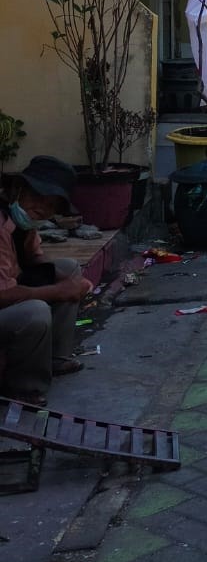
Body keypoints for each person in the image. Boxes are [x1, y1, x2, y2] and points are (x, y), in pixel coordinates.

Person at [0, 157, 92, 406]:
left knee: (68, 268)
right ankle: (23, 388)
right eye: (38, 197)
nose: (42, 208)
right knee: (35, 312)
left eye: (51, 205)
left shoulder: (20, 219)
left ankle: (55, 358)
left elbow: (35, 258)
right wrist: (58, 290)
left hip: (8, 287)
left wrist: (67, 280)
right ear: (19, 189)